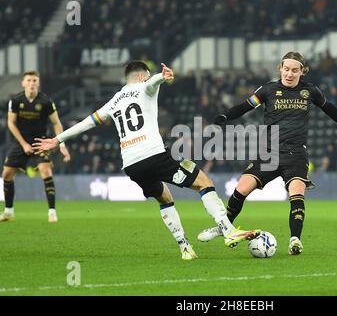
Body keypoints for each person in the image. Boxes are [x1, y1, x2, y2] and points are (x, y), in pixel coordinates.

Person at [32, 61, 260, 260]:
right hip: (154, 155)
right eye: (148, 76)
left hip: (131, 165)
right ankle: (228, 230)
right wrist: (162, 77)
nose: (149, 80)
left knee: (164, 199)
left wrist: (57, 139)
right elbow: (152, 85)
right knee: (204, 182)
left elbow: (87, 123)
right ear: (141, 76)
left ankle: (185, 248)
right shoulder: (145, 87)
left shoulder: (114, 100)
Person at [197, 52, 337, 255]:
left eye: (294, 70)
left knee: (297, 193)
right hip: (269, 153)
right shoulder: (269, 90)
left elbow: (332, 110)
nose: (290, 74)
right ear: (280, 68)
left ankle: (295, 240)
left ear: (302, 72)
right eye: (286, 69)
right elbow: (245, 106)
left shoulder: (310, 92)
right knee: (241, 188)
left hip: (296, 154)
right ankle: (226, 229)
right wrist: (225, 116)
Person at [1, 71, 71, 223]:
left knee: (46, 171)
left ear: (38, 83)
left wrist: (61, 144)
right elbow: (11, 124)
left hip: (40, 141)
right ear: (23, 83)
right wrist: (24, 144)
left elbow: (56, 123)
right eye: (29, 80)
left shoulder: (46, 102)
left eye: (34, 80)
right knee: (6, 174)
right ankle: (8, 211)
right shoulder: (16, 100)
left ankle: (52, 212)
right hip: (20, 142)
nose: (32, 83)